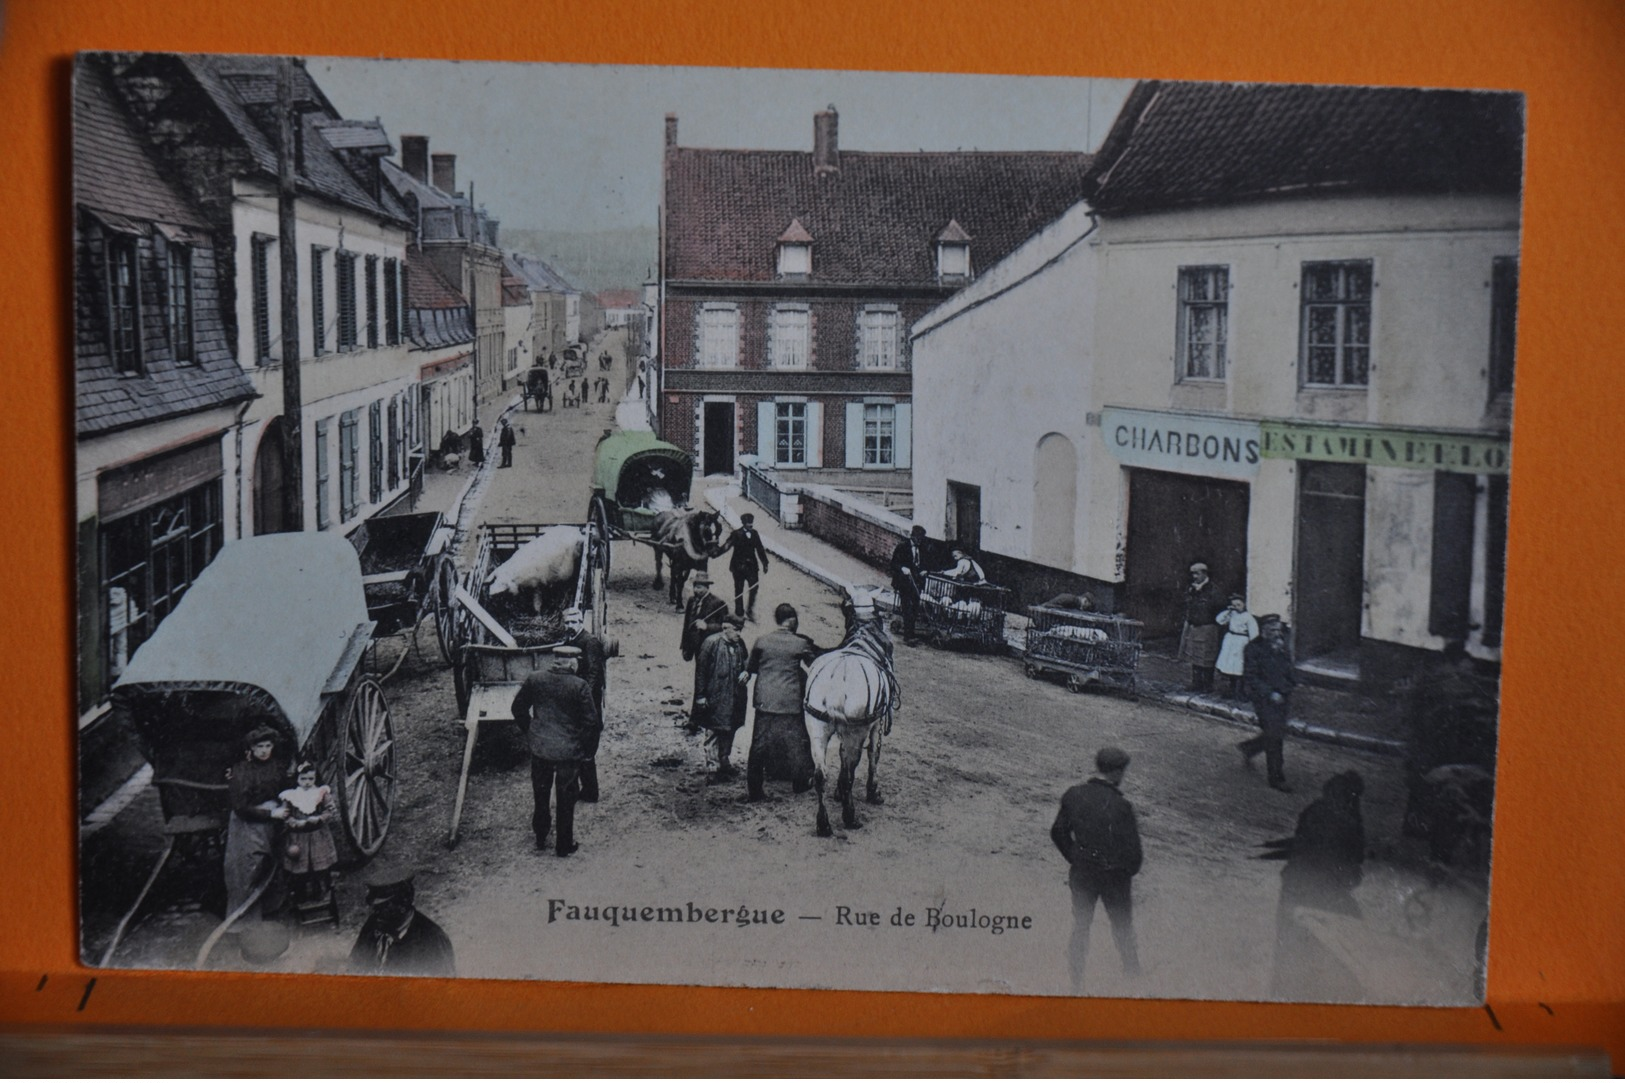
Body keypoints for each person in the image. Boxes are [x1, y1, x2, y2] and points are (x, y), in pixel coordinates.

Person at [1265, 771, 1366, 1001]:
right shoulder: (1351, 820)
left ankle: (1281, 998)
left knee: (1288, 948)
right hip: (1326, 894)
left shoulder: (1313, 810)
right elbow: (1355, 859)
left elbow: (1303, 844)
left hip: (1295, 886)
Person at [1050, 746, 1144, 992]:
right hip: (1115, 878)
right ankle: (1132, 976)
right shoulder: (1122, 807)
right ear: (1115, 772)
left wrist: (1076, 857)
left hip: (1083, 873)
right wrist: (1123, 871)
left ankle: (1075, 980)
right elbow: (1135, 856)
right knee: (1122, 928)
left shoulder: (1074, 794)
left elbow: (1058, 832)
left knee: (1080, 925)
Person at [510, 647, 598, 856]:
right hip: (568, 752)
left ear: (555, 661)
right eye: (577, 660)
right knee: (566, 799)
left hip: (541, 749)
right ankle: (563, 846)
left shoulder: (535, 679)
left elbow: (517, 709)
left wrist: (532, 731)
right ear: (571, 663)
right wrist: (586, 749)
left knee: (541, 795)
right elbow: (592, 723)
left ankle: (541, 836)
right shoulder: (580, 686)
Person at [744, 603, 821, 800]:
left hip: (764, 701)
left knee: (758, 745)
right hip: (789, 702)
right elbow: (815, 665)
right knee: (795, 744)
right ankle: (800, 784)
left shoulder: (762, 641)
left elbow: (751, 667)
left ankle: (754, 790)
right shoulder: (799, 644)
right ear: (792, 620)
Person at [224, 724, 291, 924]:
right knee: (247, 869)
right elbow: (240, 807)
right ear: (251, 749)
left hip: (272, 820)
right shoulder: (241, 771)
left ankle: (272, 910)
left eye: (268, 746)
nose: (264, 751)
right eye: (259, 747)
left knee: (276, 863)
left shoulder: (277, 766)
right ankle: (244, 921)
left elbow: (286, 788)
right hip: (248, 823)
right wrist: (272, 813)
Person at [348, 869, 456, 978]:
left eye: (383, 906)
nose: (376, 913)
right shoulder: (373, 925)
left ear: (403, 904)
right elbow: (354, 966)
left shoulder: (433, 940)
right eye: (375, 908)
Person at [1239, 615, 1296, 792]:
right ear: (1263, 631)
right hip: (1264, 699)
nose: (1277, 633)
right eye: (1272, 630)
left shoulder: (1280, 645)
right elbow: (1251, 677)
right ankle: (1276, 777)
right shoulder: (1252, 649)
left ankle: (1249, 748)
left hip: (1282, 696)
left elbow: (1288, 668)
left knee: (1275, 732)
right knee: (1274, 736)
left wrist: (1290, 685)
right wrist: (1270, 693)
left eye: (1278, 629)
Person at [692, 614, 750, 783]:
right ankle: (712, 767)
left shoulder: (740, 644)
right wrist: (701, 696)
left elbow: (747, 662)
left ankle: (724, 761)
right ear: (726, 628)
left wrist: (746, 672)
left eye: (740, 630)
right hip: (715, 695)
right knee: (713, 730)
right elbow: (701, 671)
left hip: (735, 696)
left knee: (729, 728)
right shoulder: (711, 643)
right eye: (736, 630)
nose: (739, 634)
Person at [561, 607, 609, 803]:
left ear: (581, 622)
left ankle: (591, 792)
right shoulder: (569, 641)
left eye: (574, 622)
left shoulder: (590, 642)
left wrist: (584, 697)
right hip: (575, 703)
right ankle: (584, 789)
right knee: (578, 747)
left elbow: (594, 673)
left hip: (587, 704)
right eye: (567, 622)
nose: (570, 626)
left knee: (587, 750)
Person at [278, 761, 339, 901]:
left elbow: (330, 811)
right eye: (303, 779)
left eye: (311, 779)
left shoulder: (321, 793)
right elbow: (285, 815)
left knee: (319, 866)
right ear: (297, 779)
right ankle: (301, 894)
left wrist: (319, 819)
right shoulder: (291, 796)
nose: (307, 782)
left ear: (315, 779)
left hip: (317, 835)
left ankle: (321, 891)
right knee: (299, 865)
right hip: (298, 837)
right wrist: (294, 823)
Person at [680, 573, 733, 731]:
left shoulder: (718, 603)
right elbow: (687, 625)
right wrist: (685, 646)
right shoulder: (691, 601)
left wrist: (707, 627)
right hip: (696, 649)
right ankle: (696, 718)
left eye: (700, 587)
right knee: (700, 681)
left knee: (705, 683)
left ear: (707, 587)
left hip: (711, 650)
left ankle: (698, 719)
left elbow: (726, 627)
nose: (697, 590)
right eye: (695, 586)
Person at [1179, 562, 1225, 692]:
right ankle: (1196, 683)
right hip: (1194, 626)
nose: (1194, 576)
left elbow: (1219, 607)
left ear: (1204, 573)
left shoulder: (1213, 590)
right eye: (1192, 573)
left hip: (1208, 627)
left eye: (1197, 573)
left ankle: (1207, 685)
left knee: (1207, 657)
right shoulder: (1192, 589)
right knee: (1195, 656)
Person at [720, 512, 770, 621]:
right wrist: (716, 552)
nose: (750, 525)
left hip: (752, 567)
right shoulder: (736, 534)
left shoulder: (755, 534)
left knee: (754, 587)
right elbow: (726, 546)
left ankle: (750, 609)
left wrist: (765, 563)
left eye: (751, 523)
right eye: (748, 523)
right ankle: (739, 611)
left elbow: (760, 549)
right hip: (738, 567)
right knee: (739, 589)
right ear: (743, 523)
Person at [889, 525, 930, 645]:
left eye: (921, 538)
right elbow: (893, 564)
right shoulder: (902, 547)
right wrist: (902, 568)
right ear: (912, 536)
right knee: (907, 608)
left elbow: (926, 563)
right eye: (918, 538)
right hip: (903, 583)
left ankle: (911, 633)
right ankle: (908, 637)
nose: (920, 540)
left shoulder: (922, 548)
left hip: (916, 584)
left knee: (915, 608)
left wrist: (925, 570)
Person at [1214, 593, 1260, 699]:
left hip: (1241, 642)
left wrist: (1251, 646)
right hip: (1230, 641)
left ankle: (1240, 691)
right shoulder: (1232, 614)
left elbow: (1254, 634)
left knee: (1239, 667)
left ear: (1244, 604)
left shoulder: (1248, 617)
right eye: (1234, 605)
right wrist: (1229, 611)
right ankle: (1231, 689)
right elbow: (1219, 620)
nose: (1236, 607)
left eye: (1239, 605)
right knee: (1230, 666)